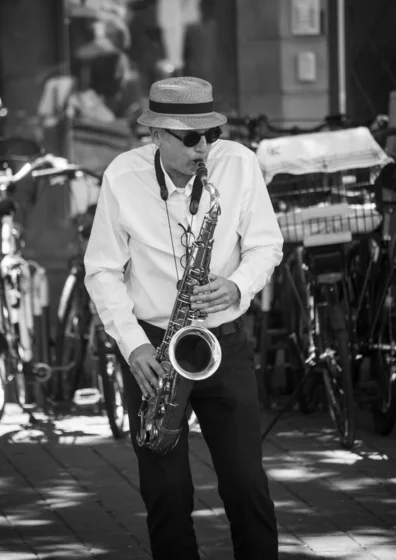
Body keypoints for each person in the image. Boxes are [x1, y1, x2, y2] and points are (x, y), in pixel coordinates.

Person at [84, 76, 283, 560]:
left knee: (246, 485)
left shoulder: (237, 163)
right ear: (156, 135)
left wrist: (237, 285)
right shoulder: (121, 176)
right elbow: (102, 270)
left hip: (221, 340)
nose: (205, 148)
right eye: (191, 138)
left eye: (211, 134)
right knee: (166, 496)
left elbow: (265, 243)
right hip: (154, 348)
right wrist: (133, 346)